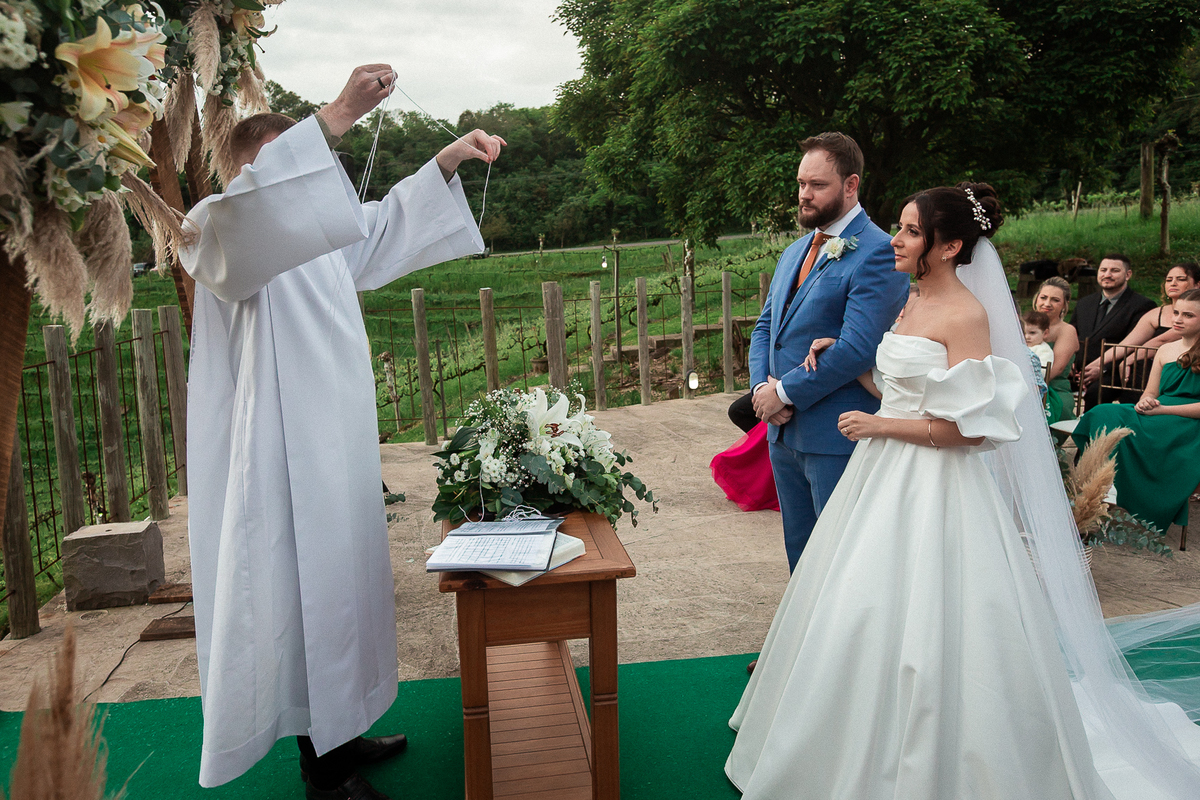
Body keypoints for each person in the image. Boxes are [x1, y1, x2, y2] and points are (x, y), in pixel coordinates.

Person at [726, 183, 1200, 799]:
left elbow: (971, 431)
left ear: (950, 246)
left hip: (937, 486)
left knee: (938, 619)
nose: (895, 240)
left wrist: (878, 427)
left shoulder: (967, 316)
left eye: (911, 231)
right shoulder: (911, 300)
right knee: (859, 605)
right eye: (899, 226)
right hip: (882, 478)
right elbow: (910, 390)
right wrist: (862, 374)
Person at [180, 65, 505, 799]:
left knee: (344, 588)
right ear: (250, 175)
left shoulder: (316, 237)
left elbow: (384, 225)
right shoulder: (215, 229)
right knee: (303, 601)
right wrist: (335, 115)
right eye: (298, 167)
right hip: (280, 459)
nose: (313, 187)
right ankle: (324, 773)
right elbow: (247, 220)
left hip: (335, 448)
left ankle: (343, 731)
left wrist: (449, 156)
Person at [748, 132, 908, 574]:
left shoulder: (879, 252)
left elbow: (858, 347)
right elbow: (767, 329)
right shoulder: (794, 251)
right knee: (801, 556)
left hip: (836, 435)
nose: (804, 194)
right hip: (782, 433)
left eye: (817, 185)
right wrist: (763, 389)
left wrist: (787, 392)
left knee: (843, 560)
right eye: (801, 183)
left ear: (851, 185)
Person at [1072, 288, 1200, 535]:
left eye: (1188, 315)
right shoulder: (1165, 350)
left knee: (1122, 424)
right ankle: (1085, 496)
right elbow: (1150, 393)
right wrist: (1146, 402)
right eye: (1176, 313)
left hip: (1187, 421)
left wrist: (1163, 410)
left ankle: (1135, 500)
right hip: (1157, 412)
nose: (1178, 319)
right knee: (1101, 414)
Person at [1081, 262, 1200, 400]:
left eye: (1181, 279)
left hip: (1183, 368)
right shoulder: (1155, 314)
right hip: (1144, 373)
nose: (1173, 283)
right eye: (1169, 280)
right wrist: (1096, 364)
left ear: (1197, 284)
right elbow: (1127, 344)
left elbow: (1163, 339)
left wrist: (1130, 359)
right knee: (1098, 391)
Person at [1073, 254, 1157, 409]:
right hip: (1078, 371)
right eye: (1103, 270)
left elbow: (1136, 347)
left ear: (1128, 274)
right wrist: (1071, 363)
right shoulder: (1084, 303)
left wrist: (1103, 369)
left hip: (1116, 373)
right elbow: (1072, 336)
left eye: (1114, 270)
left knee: (1095, 392)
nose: (1107, 274)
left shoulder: (1143, 306)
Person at [1034, 276, 1079, 423]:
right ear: (1036, 299)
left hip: (1054, 389)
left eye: (1055, 300)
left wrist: (1030, 388)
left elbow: (1056, 369)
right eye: (1043, 297)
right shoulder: (1023, 325)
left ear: (1065, 305)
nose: (1047, 304)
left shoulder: (1067, 330)